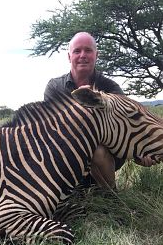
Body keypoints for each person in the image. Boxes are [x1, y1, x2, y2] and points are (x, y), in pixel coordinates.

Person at [44, 32, 157, 189]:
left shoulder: (110, 87)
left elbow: (128, 125)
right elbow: (51, 130)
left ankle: (111, 196)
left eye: (88, 50)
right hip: (68, 153)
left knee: (97, 149)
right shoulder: (55, 87)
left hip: (105, 153)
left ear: (96, 55)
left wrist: (141, 155)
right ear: (69, 57)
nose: (82, 55)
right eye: (77, 51)